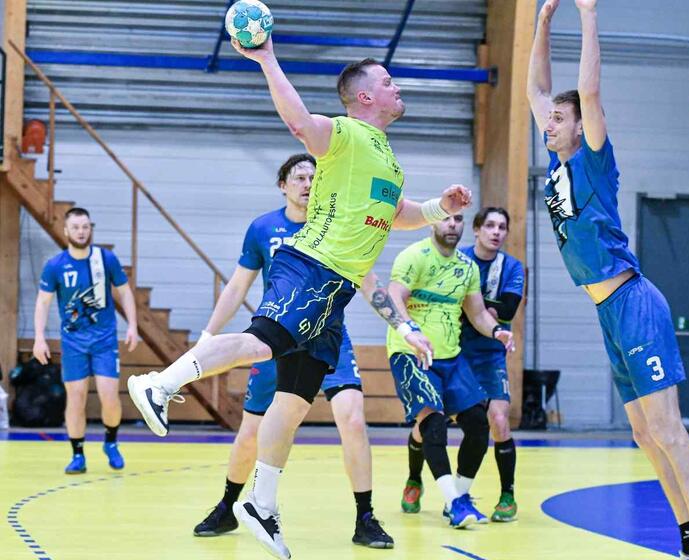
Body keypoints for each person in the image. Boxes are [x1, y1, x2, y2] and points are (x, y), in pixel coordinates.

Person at [126, 36, 470, 558]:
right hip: (312, 267)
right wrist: (267, 59)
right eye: (387, 82)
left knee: (292, 401)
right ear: (365, 97)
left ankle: (262, 504)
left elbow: (396, 215)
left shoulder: (385, 156)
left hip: (338, 291)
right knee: (260, 342)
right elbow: (300, 124)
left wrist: (438, 208)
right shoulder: (347, 133)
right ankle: (160, 383)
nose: (396, 86)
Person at [527, 2, 689, 558]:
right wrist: (542, 23)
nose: (549, 123)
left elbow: (588, 93)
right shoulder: (557, 165)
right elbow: (536, 89)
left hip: (633, 299)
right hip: (607, 310)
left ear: (580, 126)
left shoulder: (592, 158)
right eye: (549, 119)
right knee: (643, 434)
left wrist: (587, 15)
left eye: (559, 118)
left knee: (667, 428)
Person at [191, 153, 402, 548]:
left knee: (353, 419)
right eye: (300, 177)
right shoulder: (263, 228)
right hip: (278, 338)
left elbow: (370, 283)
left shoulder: (340, 224)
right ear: (283, 185)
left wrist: (403, 325)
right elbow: (237, 286)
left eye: (314, 177)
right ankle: (228, 506)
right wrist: (208, 335)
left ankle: (366, 517)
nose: (308, 184)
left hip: (328, 336)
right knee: (251, 430)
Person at [387, 213, 515, 529]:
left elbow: (477, 313)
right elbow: (393, 297)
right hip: (413, 354)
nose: (452, 224)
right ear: (433, 222)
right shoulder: (414, 256)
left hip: (451, 357)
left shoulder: (467, 267)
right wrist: (410, 331)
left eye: (458, 219)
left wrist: (497, 331)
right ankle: (454, 502)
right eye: (446, 218)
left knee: (478, 423)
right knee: (433, 424)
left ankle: (459, 495)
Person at [32, 207, 138, 474]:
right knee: (76, 397)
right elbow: (42, 303)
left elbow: (125, 293)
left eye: (85, 227)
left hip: (104, 340)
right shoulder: (55, 265)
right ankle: (77, 454)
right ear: (66, 231)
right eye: (76, 227)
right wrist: (39, 338)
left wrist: (133, 326)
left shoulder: (105, 259)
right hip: (73, 343)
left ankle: (110, 443)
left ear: (90, 229)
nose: (81, 232)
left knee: (109, 396)